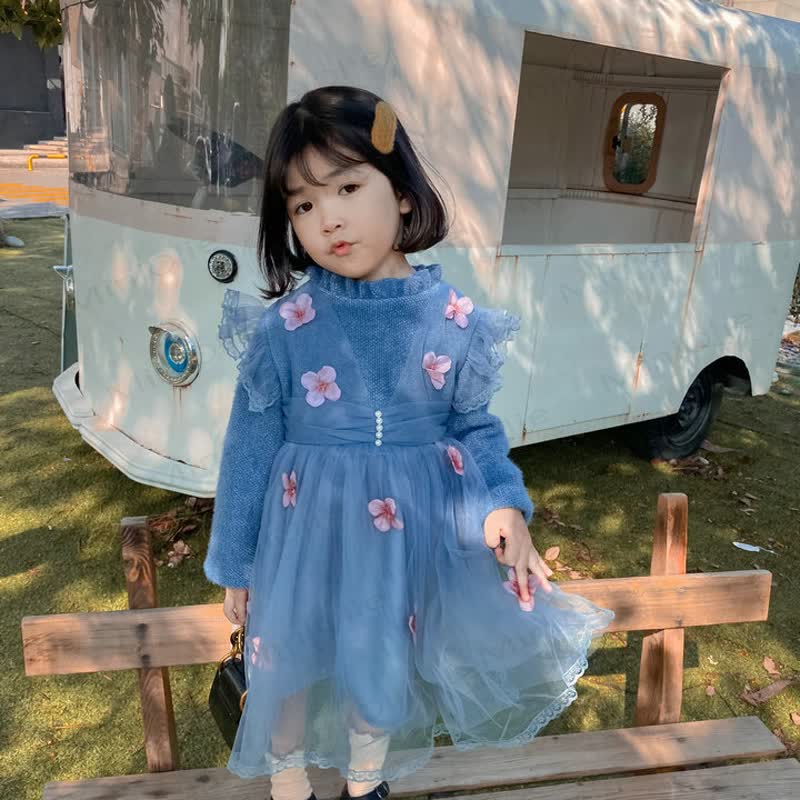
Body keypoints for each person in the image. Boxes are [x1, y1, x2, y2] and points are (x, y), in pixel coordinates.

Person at [203, 85, 614, 800]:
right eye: (302, 205)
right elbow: (249, 447)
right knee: (287, 664)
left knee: (380, 664)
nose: (328, 218)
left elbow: (472, 428)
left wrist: (504, 504)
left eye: (347, 187)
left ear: (400, 192)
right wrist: (236, 562)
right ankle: (289, 786)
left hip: (403, 546)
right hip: (300, 543)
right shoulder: (285, 329)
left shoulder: (455, 323)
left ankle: (366, 784)